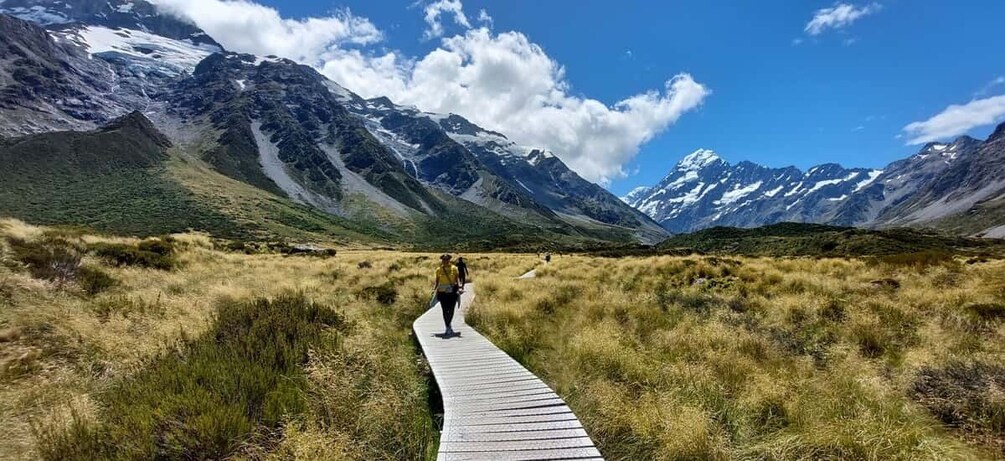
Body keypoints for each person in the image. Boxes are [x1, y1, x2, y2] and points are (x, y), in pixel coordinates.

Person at [433, 254, 461, 335]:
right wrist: (434, 289)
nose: (445, 261)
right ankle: (448, 326)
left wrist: (459, 287)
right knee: (445, 310)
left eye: (447, 259)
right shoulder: (439, 270)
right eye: (444, 259)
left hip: (452, 292)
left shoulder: (454, 268)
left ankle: (448, 325)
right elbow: (437, 281)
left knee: (451, 309)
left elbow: (457, 279)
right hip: (442, 292)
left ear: (449, 260)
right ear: (442, 260)